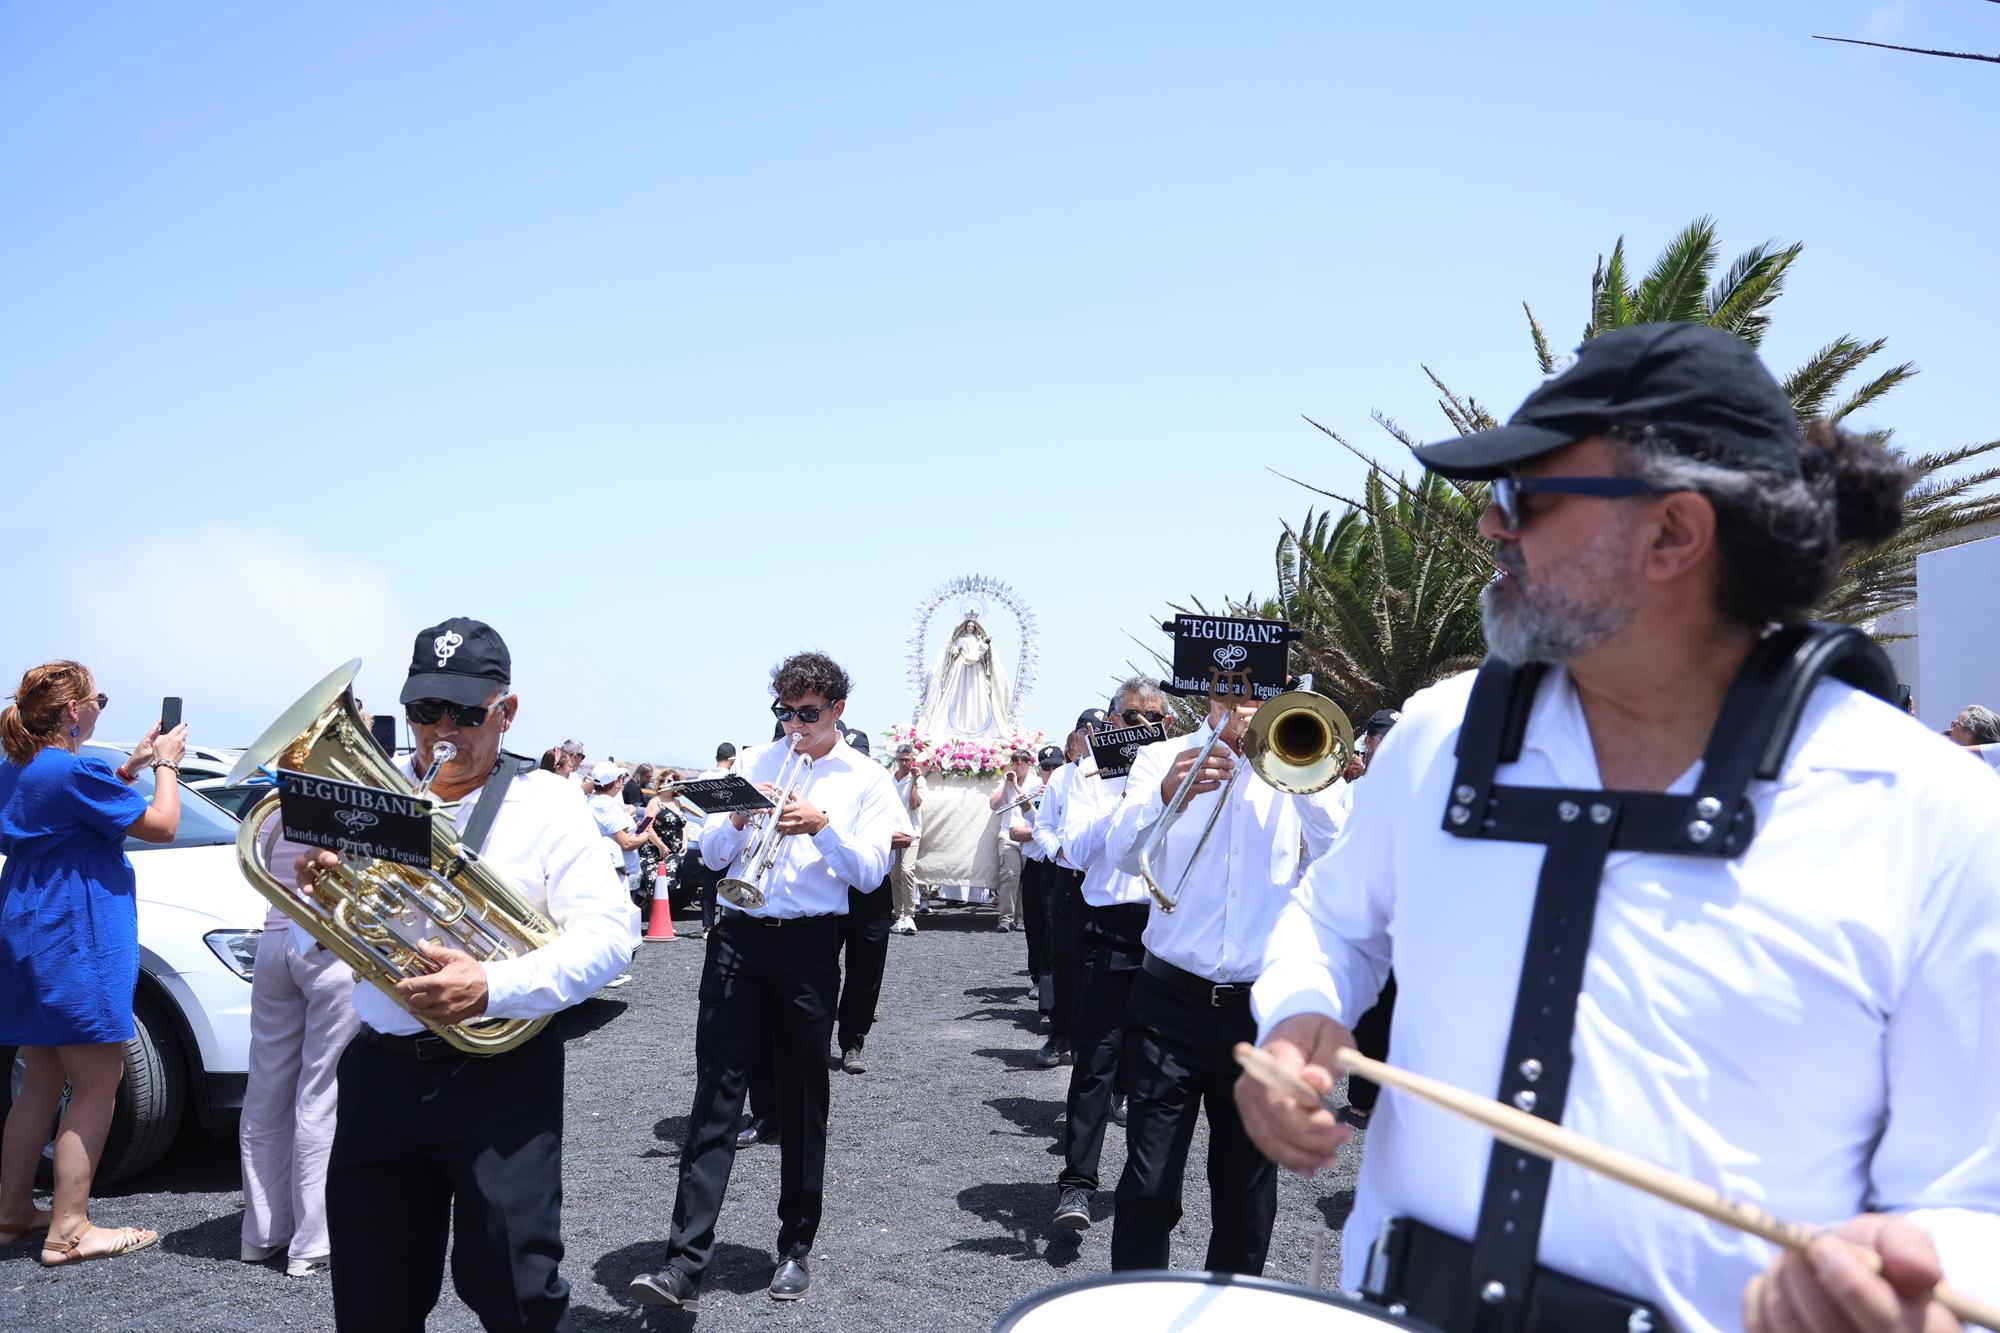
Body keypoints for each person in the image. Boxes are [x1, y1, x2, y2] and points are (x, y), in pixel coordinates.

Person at [1236, 323, 2000, 1331]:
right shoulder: (1436, 739)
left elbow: (1971, 1200)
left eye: (1521, 496)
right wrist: (1295, 1015)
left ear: (1672, 535)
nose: (1487, 529)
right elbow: (1331, 919)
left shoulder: (1929, 816)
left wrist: (1917, 1287)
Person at [293, 617, 636, 1331]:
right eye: (425, 710)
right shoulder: (379, 794)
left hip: (498, 1075)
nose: (441, 729)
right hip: (380, 1072)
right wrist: (322, 893)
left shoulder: (548, 801)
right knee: (370, 1298)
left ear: (506, 712)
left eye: (465, 713)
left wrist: (490, 984)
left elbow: (611, 937)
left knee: (518, 1290)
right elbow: (318, 945)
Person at [629, 651, 904, 1311]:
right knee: (715, 1097)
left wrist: (822, 828)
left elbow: (869, 873)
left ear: (837, 709)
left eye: (806, 712)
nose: (793, 725)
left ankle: (796, 1246)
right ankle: (683, 1261)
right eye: (784, 710)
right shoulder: (757, 759)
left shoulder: (866, 776)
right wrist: (734, 823)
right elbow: (712, 854)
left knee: (805, 1099)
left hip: (810, 944)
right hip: (739, 936)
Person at [1101, 686, 1348, 1273]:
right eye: (1225, 690)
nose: (1239, 703)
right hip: (1168, 1003)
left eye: (1255, 692)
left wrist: (1299, 772)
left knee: (1245, 1193)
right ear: (1203, 693)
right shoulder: (1161, 758)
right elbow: (1118, 854)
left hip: (1259, 1013)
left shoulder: (1303, 757)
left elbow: (1344, 853)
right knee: (1149, 1184)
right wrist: (1168, 796)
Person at [1, 662, 185, 1266]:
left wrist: (129, 766)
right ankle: (70, 1229)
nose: (100, 707)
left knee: (42, 1077)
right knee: (99, 1080)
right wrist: (165, 766)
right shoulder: (74, 769)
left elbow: (65, 811)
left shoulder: (16, 770)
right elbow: (161, 826)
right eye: (97, 698)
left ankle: (11, 1214)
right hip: (74, 930)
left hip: (26, 924)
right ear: (73, 711)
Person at [1052, 680, 1169, 1232]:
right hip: (1111, 929)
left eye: (1153, 717)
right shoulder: (1088, 775)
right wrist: (1127, 802)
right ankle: (1076, 1184)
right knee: (1095, 1058)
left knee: (1160, 1068)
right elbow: (1073, 850)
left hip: (1167, 931)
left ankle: (1147, 1187)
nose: (1141, 727)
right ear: (1112, 721)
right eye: (1130, 717)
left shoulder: (1182, 771)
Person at [238, 810, 362, 1279]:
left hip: (276, 938)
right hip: (333, 941)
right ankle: (312, 1241)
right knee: (322, 1091)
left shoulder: (275, 805)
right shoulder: (357, 795)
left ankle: (260, 1232)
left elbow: (266, 859)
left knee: (266, 1089)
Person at [1030, 717, 1099, 1067]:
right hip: (1067, 878)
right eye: (1085, 733)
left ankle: (1091, 1039)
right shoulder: (1061, 776)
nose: (1091, 739)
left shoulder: (1118, 774)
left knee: (1098, 964)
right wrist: (1059, 851)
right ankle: (1059, 1034)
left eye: (1099, 731)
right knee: (1063, 957)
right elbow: (1043, 827)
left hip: (1102, 882)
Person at [832, 728, 892, 1073]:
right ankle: (816, 1035)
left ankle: (853, 1042)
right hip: (832, 883)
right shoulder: (831, 786)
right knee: (822, 966)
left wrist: (863, 840)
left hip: (870, 888)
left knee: (866, 970)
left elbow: (903, 834)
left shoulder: (877, 783)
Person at [1020, 745, 1063, 1011]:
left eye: (1055, 767)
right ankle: (1036, 976)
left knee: (1052, 927)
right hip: (1035, 865)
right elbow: (1017, 832)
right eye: (1046, 767)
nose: (1050, 772)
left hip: (1057, 865)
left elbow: (1049, 829)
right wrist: (1028, 807)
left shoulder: (1067, 786)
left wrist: (1034, 814)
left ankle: (1049, 992)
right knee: (1034, 927)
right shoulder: (1034, 792)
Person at [987, 746, 1040, 931]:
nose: (1017, 766)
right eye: (1014, 762)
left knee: (1027, 878)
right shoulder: (1007, 782)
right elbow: (994, 804)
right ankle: (1006, 917)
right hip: (1008, 834)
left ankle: (1023, 917)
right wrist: (1005, 783)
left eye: (1021, 762)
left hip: (1028, 835)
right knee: (1009, 875)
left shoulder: (1036, 781)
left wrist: (1016, 785)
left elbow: (1025, 800)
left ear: (1028, 764)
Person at [886, 742, 929, 936]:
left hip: (912, 831)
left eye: (908, 760)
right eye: (901, 760)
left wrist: (914, 781)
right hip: (893, 831)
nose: (904, 763)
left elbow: (914, 805)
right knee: (894, 875)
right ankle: (899, 915)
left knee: (906, 870)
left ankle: (910, 914)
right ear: (896, 759)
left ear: (913, 760)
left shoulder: (919, 780)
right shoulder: (890, 779)